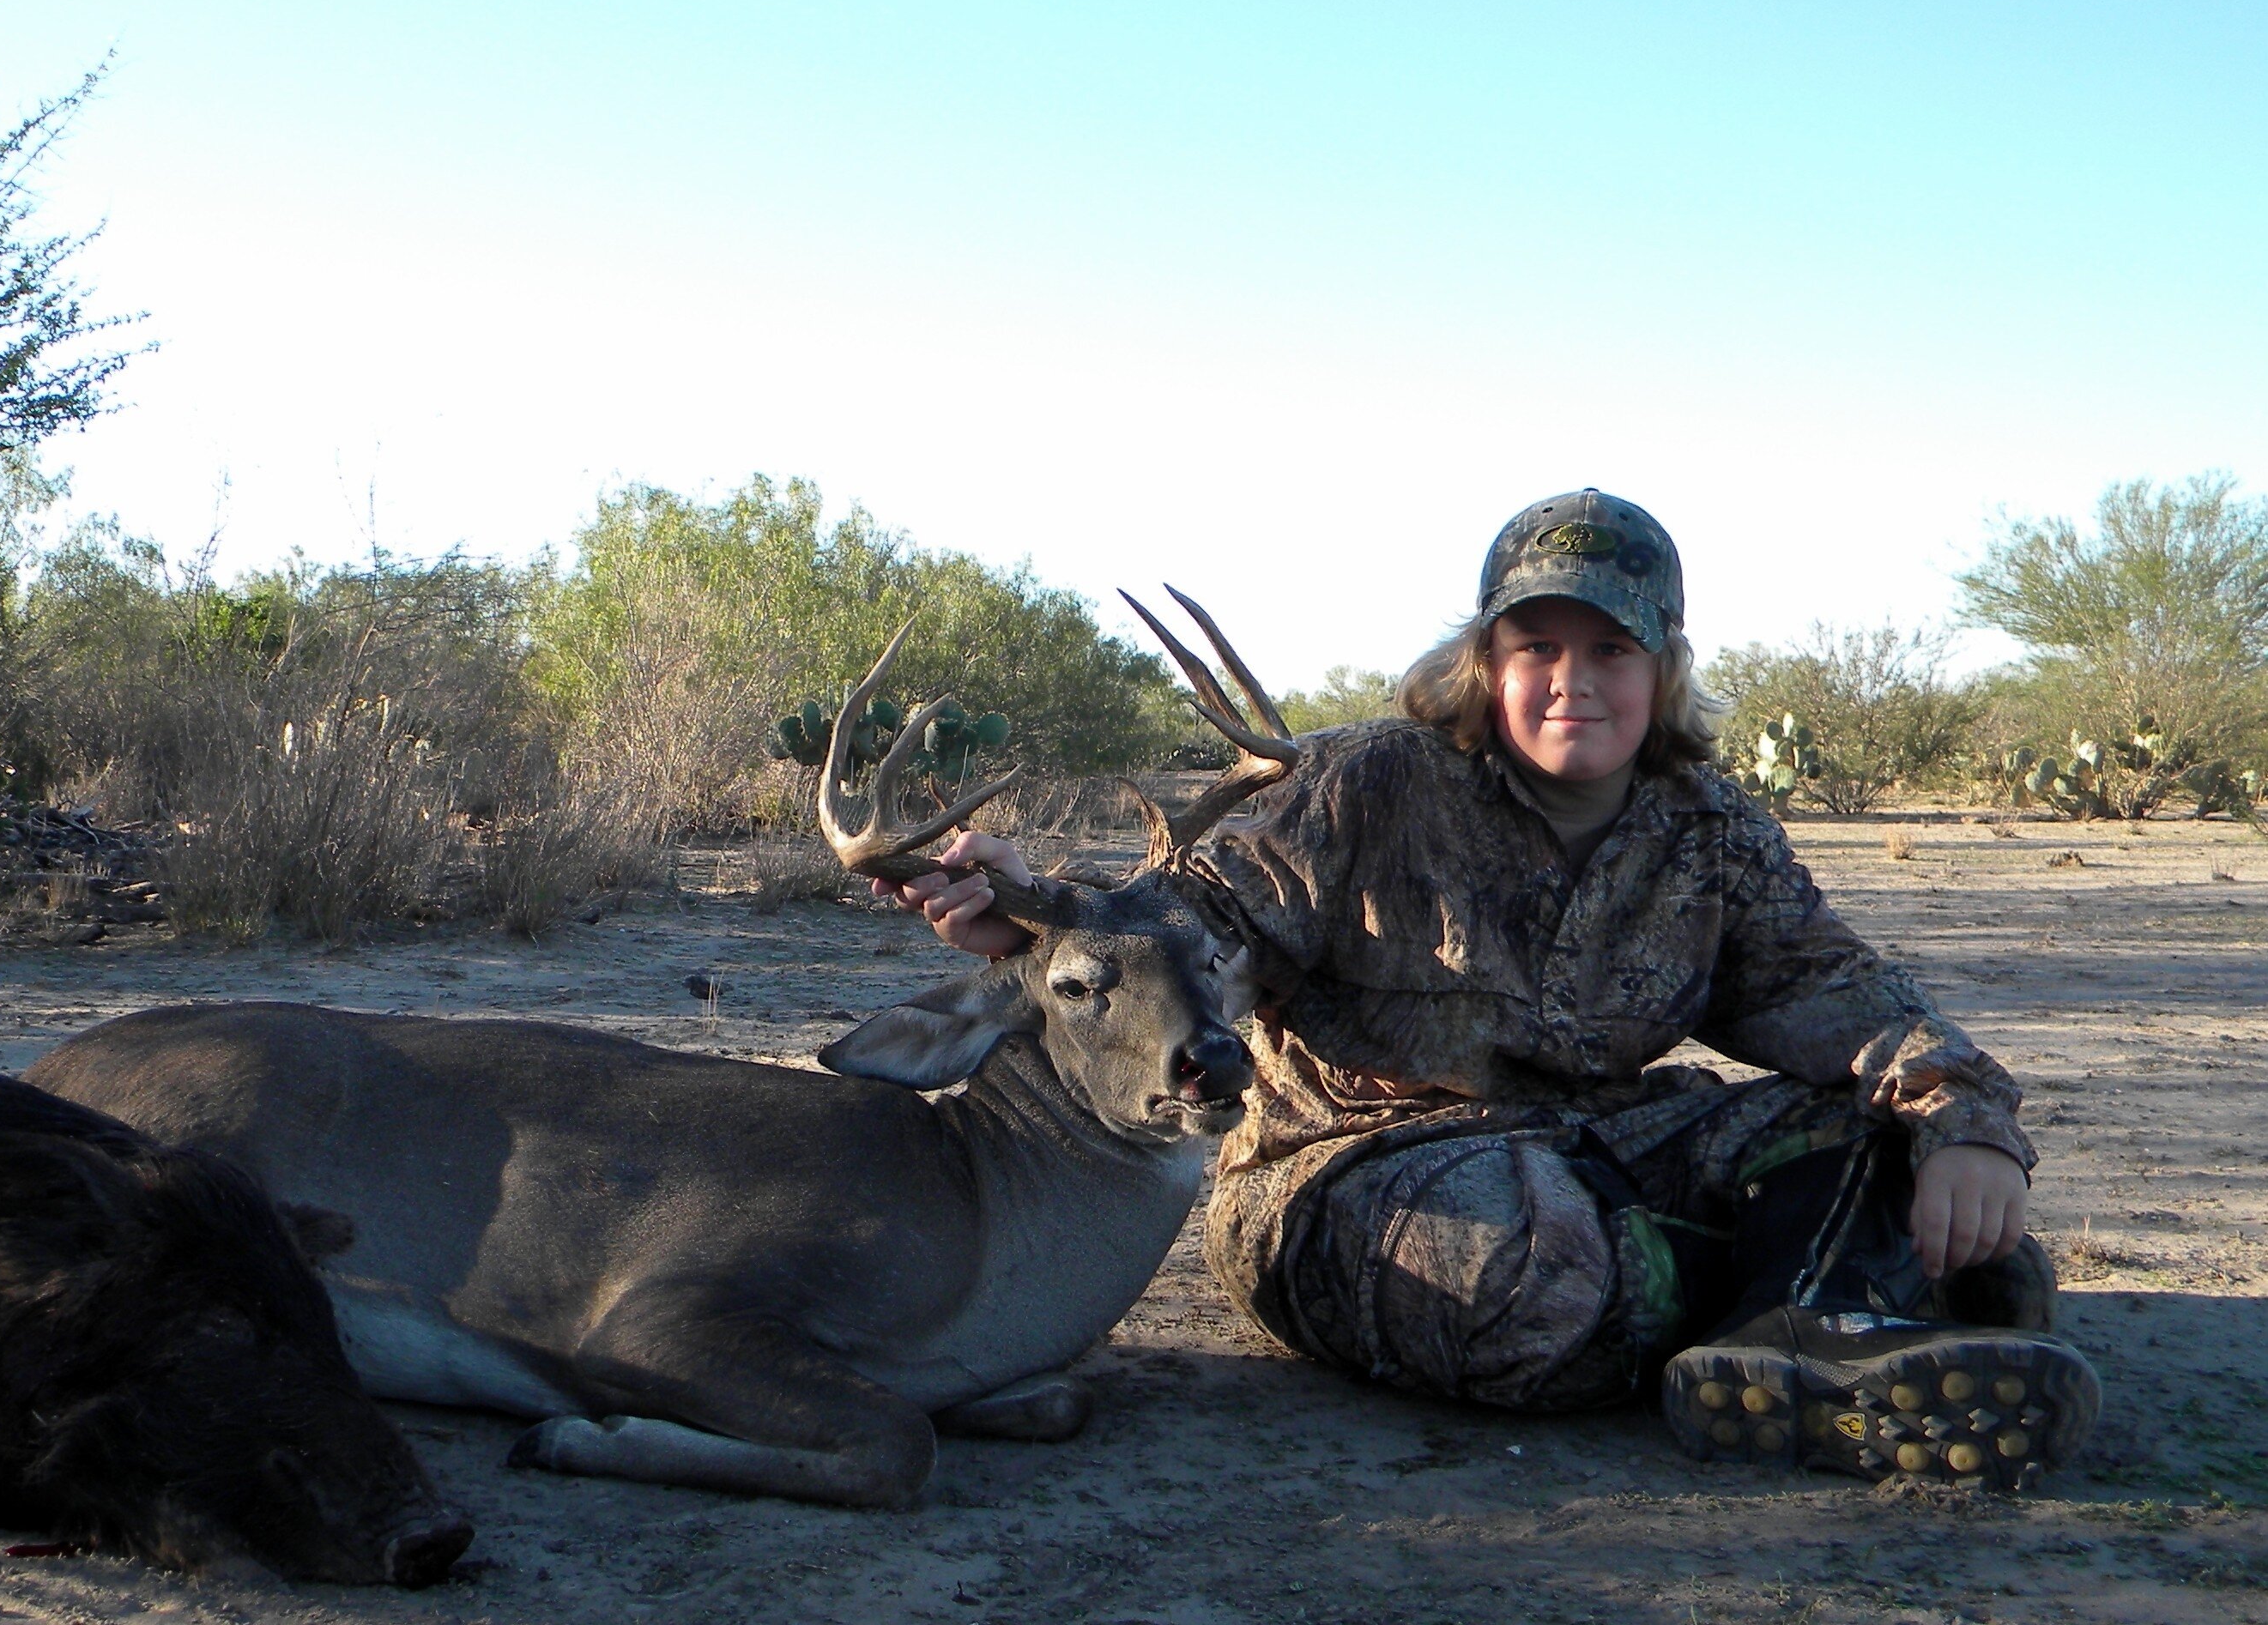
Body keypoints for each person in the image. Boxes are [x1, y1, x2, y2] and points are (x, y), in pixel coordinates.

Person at [885, 490, 2100, 1485]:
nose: (1574, 680)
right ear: (1483, 661)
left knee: (1867, 1139)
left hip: (1603, 1143)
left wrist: (1964, 1127)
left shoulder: (1710, 827)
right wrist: (1031, 916)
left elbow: (1839, 993)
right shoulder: (1361, 782)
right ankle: (1827, 1307)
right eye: (1537, 648)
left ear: (1662, 667)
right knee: (1532, 1281)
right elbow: (1195, 920)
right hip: (1359, 1167)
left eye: (1611, 649)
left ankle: (1800, 1337)